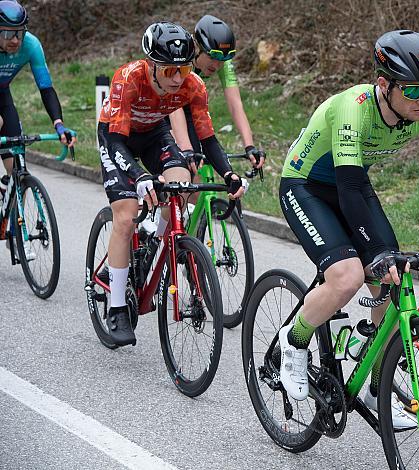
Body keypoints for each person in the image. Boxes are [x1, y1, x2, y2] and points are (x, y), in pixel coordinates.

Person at [278, 30, 419, 427]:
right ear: (384, 84)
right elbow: (344, 188)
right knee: (346, 277)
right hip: (307, 185)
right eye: (413, 91)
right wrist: (372, 254)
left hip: (353, 184)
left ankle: (376, 388)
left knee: (395, 285)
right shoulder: (354, 108)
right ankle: (292, 344)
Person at [97, 22, 244, 347]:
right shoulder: (129, 78)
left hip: (153, 135)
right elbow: (119, 144)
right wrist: (140, 177)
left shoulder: (192, 85)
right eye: (169, 72)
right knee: (125, 216)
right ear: (152, 65)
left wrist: (229, 174)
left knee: (179, 187)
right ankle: (118, 306)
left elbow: (207, 137)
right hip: (117, 137)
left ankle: (154, 239)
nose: (178, 78)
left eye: (184, 69)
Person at [0, 0, 76, 260]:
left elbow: (45, 87)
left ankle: (16, 232)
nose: (15, 40)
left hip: (2, 94)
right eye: (8, 33)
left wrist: (59, 123)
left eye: (19, 33)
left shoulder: (31, 45)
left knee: (16, 167)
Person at [170, 15, 264, 171]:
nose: (217, 64)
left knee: (199, 169)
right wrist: (186, 149)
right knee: (185, 169)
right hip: (165, 107)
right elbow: (174, 108)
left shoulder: (222, 61)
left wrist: (249, 146)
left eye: (223, 58)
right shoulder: (181, 57)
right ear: (197, 48)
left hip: (189, 107)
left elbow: (235, 105)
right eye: (213, 56)